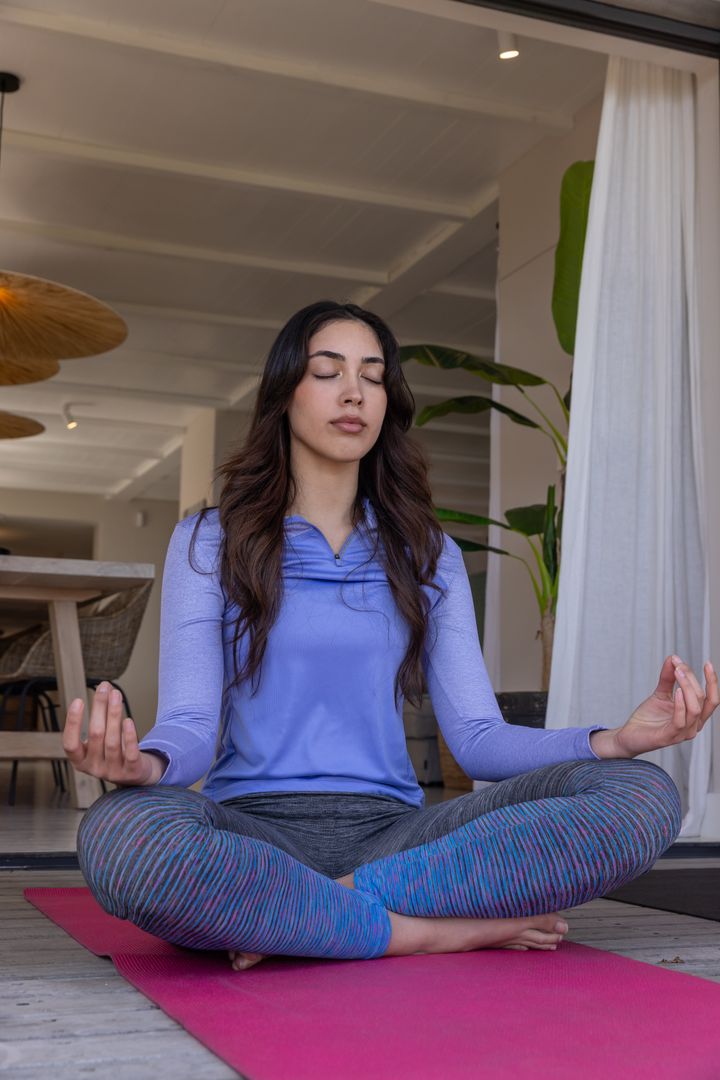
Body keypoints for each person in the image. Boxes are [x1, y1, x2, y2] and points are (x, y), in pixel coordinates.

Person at [64, 300, 718, 972]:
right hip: (253, 833)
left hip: (399, 837)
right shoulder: (208, 540)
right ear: (284, 391)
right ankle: (431, 931)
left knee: (641, 795)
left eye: (373, 377)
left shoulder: (425, 553)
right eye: (328, 372)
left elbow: (479, 740)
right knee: (125, 836)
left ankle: (308, 915)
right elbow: (192, 726)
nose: (354, 393)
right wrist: (141, 766)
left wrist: (617, 740)